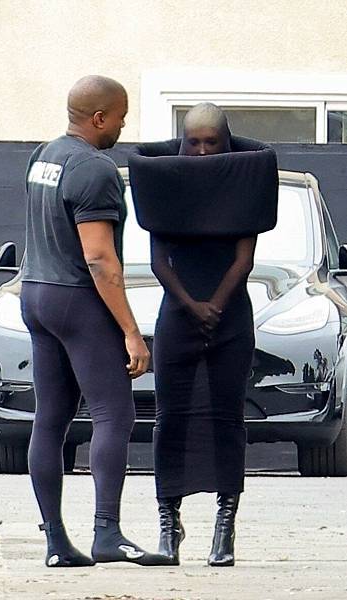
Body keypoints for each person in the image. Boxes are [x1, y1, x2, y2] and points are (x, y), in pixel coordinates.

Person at [20, 75, 171, 568]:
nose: (123, 127)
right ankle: (108, 533)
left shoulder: (44, 155)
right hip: (76, 300)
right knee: (114, 413)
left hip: (36, 293)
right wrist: (131, 331)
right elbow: (99, 258)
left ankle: (56, 543)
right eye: (121, 118)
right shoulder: (94, 168)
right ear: (99, 117)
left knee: (51, 416)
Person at [150, 103, 257, 566]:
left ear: (226, 143)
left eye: (211, 141)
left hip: (230, 316)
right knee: (170, 419)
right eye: (193, 141)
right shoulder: (165, 186)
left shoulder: (246, 187)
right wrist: (191, 305)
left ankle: (225, 525)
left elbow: (244, 259)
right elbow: (158, 261)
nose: (201, 150)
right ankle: (168, 524)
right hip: (178, 314)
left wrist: (215, 305)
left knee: (227, 419)